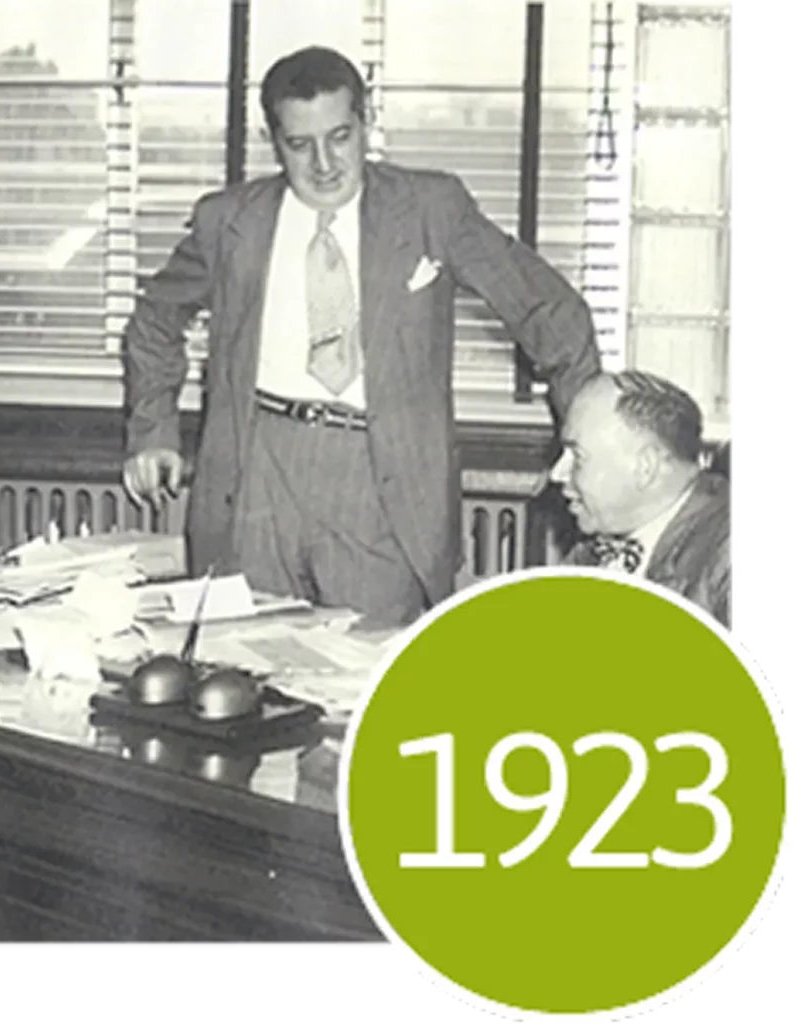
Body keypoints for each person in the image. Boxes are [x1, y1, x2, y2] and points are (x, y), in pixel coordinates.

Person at [123, 46, 601, 626]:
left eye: (339, 136)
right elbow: (154, 320)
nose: (324, 164)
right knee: (242, 671)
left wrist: (588, 443)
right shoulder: (227, 222)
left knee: (368, 673)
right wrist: (154, 429)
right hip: (257, 470)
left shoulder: (431, 208)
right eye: (300, 145)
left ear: (366, 120)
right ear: (271, 138)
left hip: (379, 479)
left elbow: (550, 311)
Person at [550, 370, 738, 628]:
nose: (556, 474)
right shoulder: (597, 545)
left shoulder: (730, 557)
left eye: (577, 456)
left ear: (645, 467)